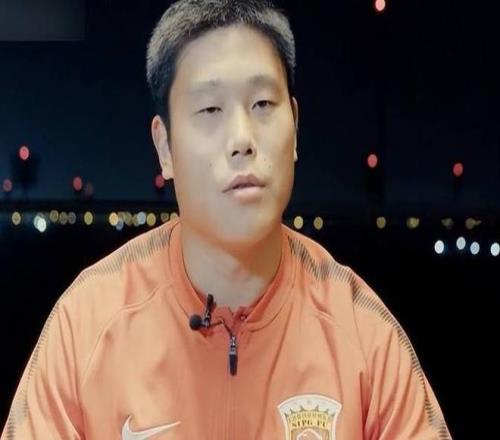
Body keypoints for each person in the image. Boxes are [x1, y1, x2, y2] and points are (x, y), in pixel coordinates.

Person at [1, 0, 452, 438]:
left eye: (263, 104)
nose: (242, 139)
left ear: (295, 127)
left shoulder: (365, 335)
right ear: (164, 146)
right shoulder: (86, 326)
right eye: (210, 110)